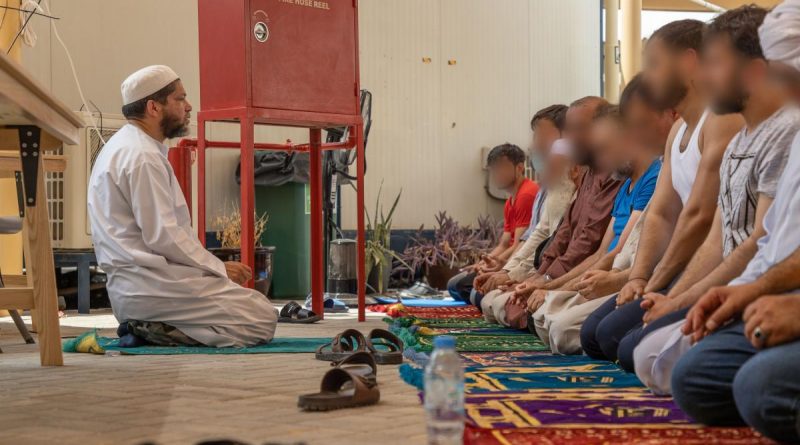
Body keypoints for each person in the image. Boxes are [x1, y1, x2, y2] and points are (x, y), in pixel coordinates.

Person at [632, 5, 800, 389]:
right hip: (757, 287)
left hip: (774, 294)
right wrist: (665, 292)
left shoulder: (786, 130)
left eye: (713, 64)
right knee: (642, 350)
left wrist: (670, 294)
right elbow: (754, 242)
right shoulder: (747, 136)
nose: (703, 77)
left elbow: (744, 238)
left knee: (747, 384)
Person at [579, 19, 744, 363]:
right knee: (595, 334)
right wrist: (638, 277)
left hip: (704, 267)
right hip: (676, 268)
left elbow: (699, 216)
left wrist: (657, 283)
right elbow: (662, 211)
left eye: (654, 64)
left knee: (622, 345)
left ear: (687, 62)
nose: (648, 77)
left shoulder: (721, 120)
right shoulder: (678, 131)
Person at [88, 65, 278, 347]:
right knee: (261, 317)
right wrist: (219, 267)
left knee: (254, 308)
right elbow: (163, 236)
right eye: (180, 99)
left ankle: (159, 326)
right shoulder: (142, 157)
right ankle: (152, 328)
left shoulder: (128, 146)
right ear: (154, 107)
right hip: (149, 287)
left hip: (150, 283)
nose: (189, 107)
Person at [530, 75, 673, 354]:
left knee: (570, 329)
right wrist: (553, 285)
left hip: (627, 276)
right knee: (543, 316)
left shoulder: (655, 176)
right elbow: (602, 251)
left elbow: (621, 251)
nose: (603, 158)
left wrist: (625, 279)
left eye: (606, 148)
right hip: (612, 274)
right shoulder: (623, 185)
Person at [481, 97, 623, 329]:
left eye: (578, 130)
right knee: (493, 301)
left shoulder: (610, 175)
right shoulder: (587, 174)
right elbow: (562, 233)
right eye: (569, 131)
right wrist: (534, 275)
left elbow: (590, 245)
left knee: (542, 320)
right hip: (562, 270)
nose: (570, 139)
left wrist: (545, 281)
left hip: (590, 274)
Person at [469, 104, 576, 307]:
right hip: (540, 267)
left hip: (555, 272)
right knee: (486, 296)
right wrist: (507, 270)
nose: (534, 145)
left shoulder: (535, 190)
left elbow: (560, 244)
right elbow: (539, 235)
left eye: (540, 135)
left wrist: (534, 279)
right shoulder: (543, 186)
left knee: (493, 300)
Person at [446, 143, 539, 302]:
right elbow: (504, 243)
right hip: (506, 261)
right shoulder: (511, 200)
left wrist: (500, 266)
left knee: (464, 287)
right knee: (454, 285)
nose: (497, 174)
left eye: (502, 167)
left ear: (519, 168)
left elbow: (518, 245)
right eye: (494, 169)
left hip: (516, 263)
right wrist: (484, 262)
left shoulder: (526, 194)